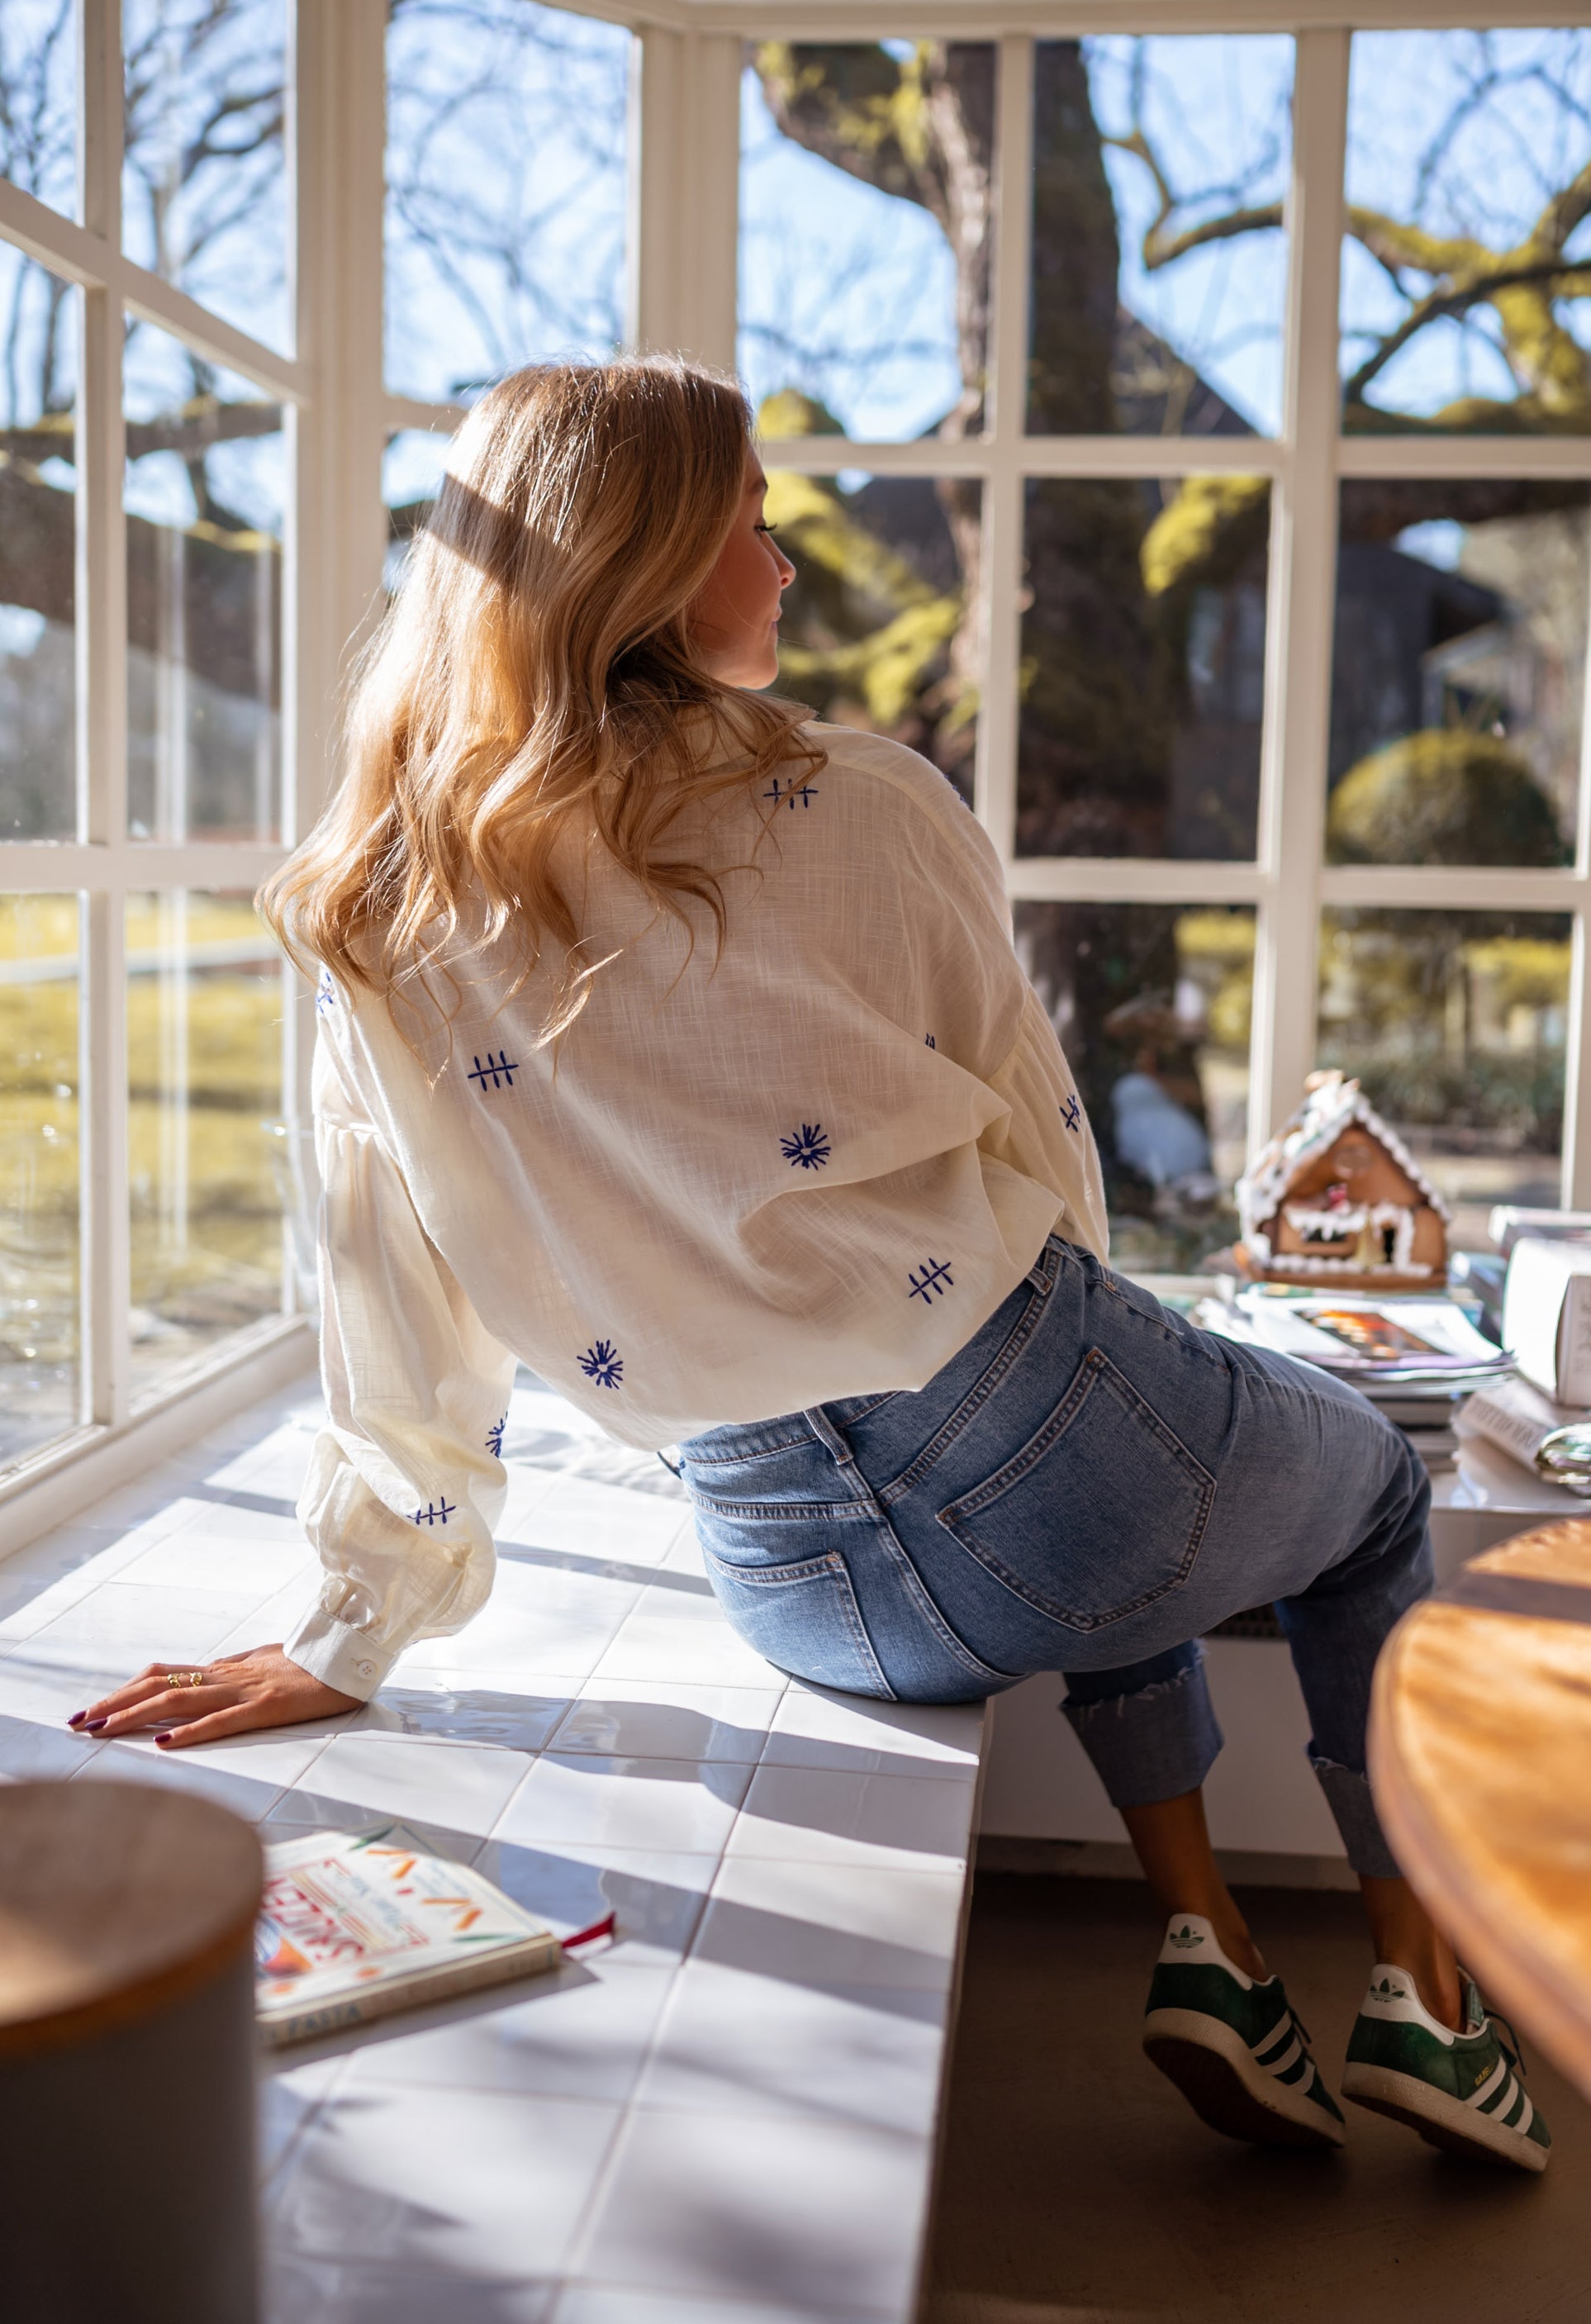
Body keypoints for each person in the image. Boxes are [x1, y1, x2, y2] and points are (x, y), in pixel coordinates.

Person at [72, 359, 1546, 2174]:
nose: (785, 567)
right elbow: (1037, 1152)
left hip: (790, 1570)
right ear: (654, 556)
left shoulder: (379, 899)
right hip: (1041, 1424)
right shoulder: (857, 799)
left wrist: (353, 1630)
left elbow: (393, 1306)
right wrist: (1109, 1399)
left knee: (1139, 1518)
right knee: (1370, 1495)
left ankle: (1217, 1952)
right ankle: (1431, 2001)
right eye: (753, 525)